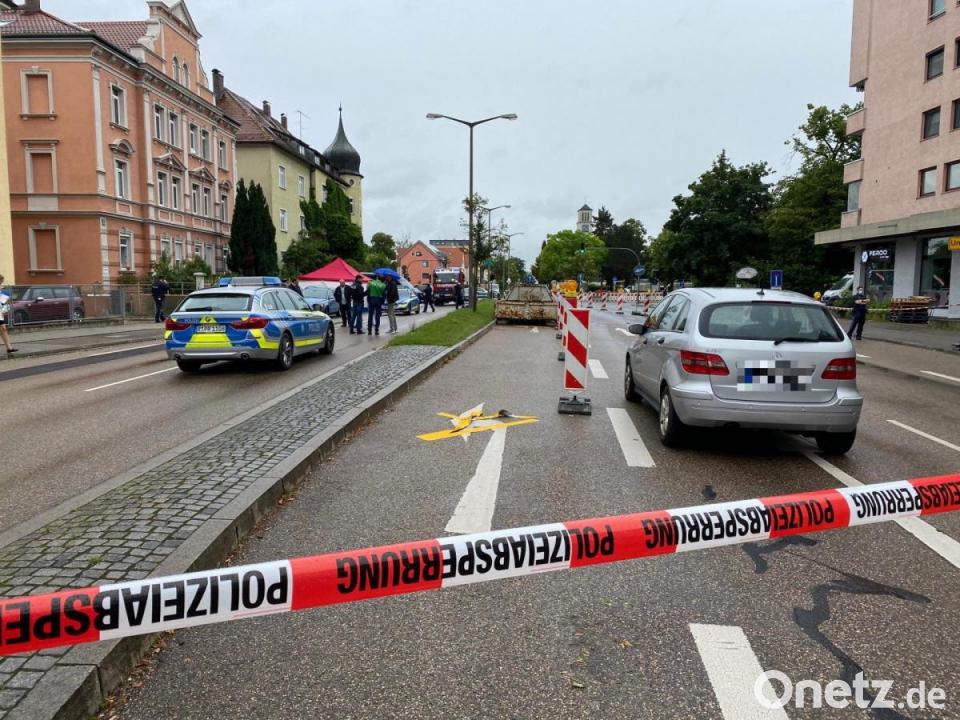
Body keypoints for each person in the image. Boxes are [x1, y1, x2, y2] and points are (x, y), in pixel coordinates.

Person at [0, 275, 16, 356]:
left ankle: (9, 348)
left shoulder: (1, 289)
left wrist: (3, 309)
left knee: (3, 329)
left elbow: (1, 301)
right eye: (1, 281)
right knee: (3, 329)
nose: (2, 283)